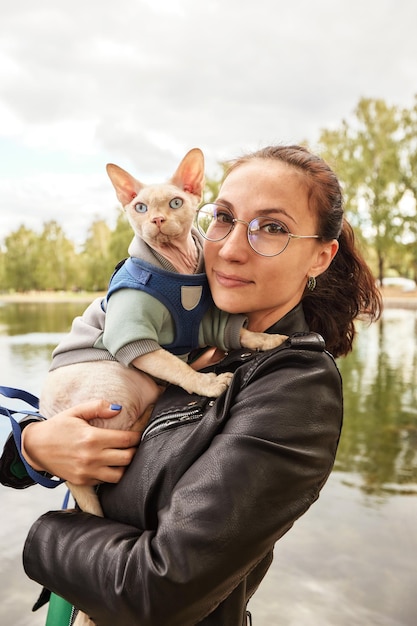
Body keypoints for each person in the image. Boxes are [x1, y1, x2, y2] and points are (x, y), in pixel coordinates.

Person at [0, 144, 382, 626]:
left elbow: (157, 590)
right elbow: (69, 427)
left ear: (320, 257)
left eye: (273, 228)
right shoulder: (178, 323)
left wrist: (45, 536)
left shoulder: (294, 387)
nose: (231, 247)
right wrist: (34, 446)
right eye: (224, 217)